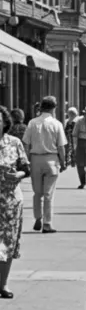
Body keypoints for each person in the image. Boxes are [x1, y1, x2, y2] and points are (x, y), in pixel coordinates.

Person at [21, 96, 67, 234]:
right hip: (52, 159)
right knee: (48, 194)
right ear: (54, 108)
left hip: (35, 159)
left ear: (41, 108)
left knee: (37, 193)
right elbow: (61, 147)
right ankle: (47, 223)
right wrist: (63, 162)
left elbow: (26, 143)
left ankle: (37, 217)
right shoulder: (57, 124)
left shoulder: (32, 123)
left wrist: (27, 160)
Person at [0, 106, 29, 299]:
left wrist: (16, 175)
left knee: (7, 243)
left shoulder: (14, 142)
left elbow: (25, 167)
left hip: (10, 199)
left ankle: (3, 284)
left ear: (4, 122)